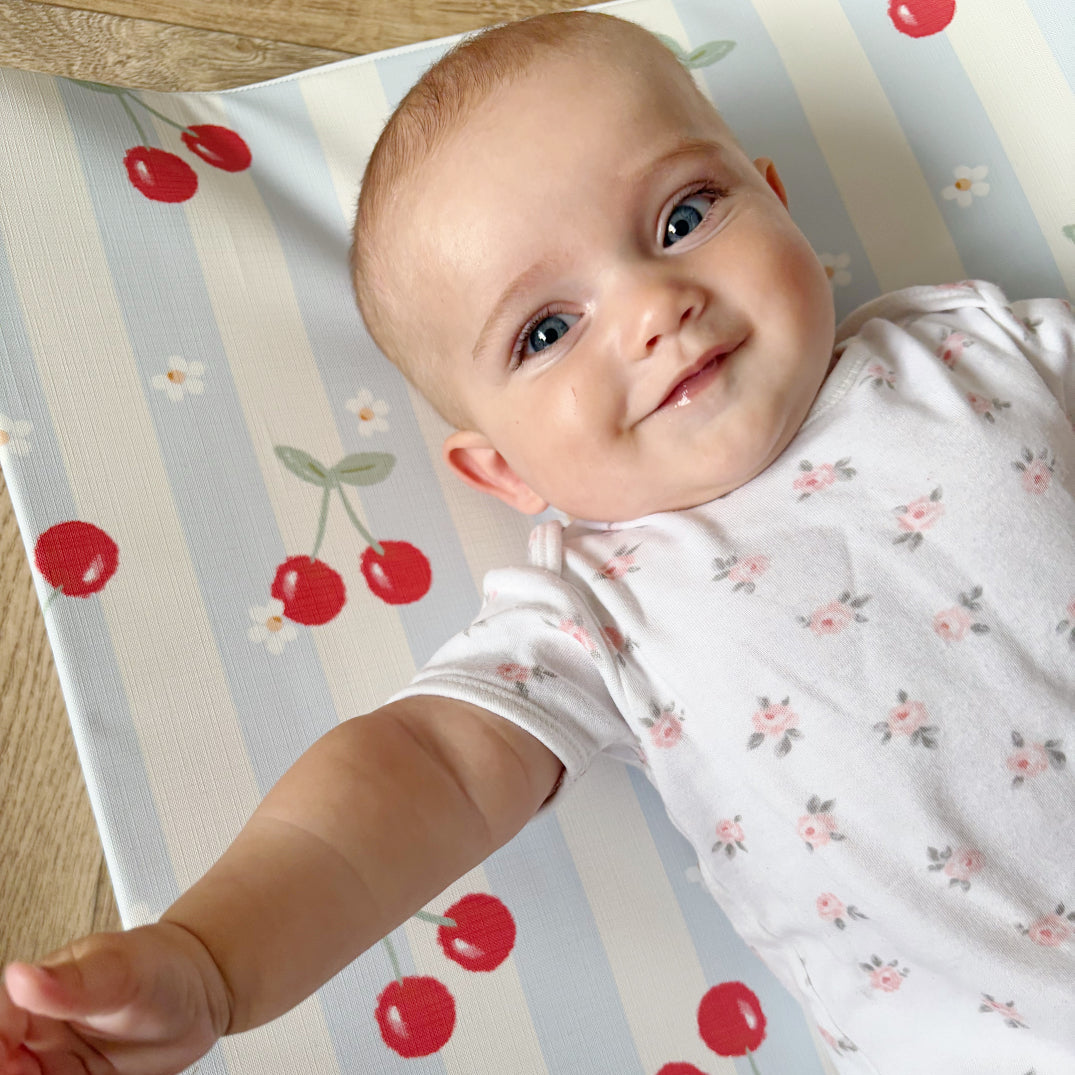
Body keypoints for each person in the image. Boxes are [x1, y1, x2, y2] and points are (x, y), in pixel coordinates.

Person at [3, 11, 1073, 1074]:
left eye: (684, 215)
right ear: (504, 472)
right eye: (547, 331)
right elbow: (421, 772)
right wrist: (212, 959)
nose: (652, 306)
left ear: (776, 202)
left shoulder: (980, 351)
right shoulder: (598, 606)